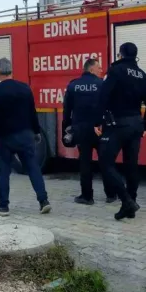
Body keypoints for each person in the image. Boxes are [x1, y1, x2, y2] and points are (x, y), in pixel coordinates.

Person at [95, 42, 146, 220]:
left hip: (117, 125)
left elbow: (103, 96)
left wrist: (97, 121)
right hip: (136, 125)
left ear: (120, 55)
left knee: (106, 163)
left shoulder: (115, 71)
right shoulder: (144, 76)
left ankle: (127, 200)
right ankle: (130, 206)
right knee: (132, 165)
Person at [0, 57, 51, 216]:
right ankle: (43, 201)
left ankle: (3, 206)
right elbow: (32, 112)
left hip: (6, 137)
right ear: (11, 70)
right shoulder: (24, 88)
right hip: (25, 135)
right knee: (33, 167)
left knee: (4, 171)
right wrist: (36, 132)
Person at [62, 58, 116, 205]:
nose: (101, 70)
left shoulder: (73, 85)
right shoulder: (102, 85)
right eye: (98, 67)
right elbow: (109, 107)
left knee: (85, 162)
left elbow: (67, 111)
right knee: (105, 161)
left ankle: (87, 196)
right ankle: (111, 194)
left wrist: (65, 131)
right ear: (91, 69)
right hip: (99, 129)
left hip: (81, 130)